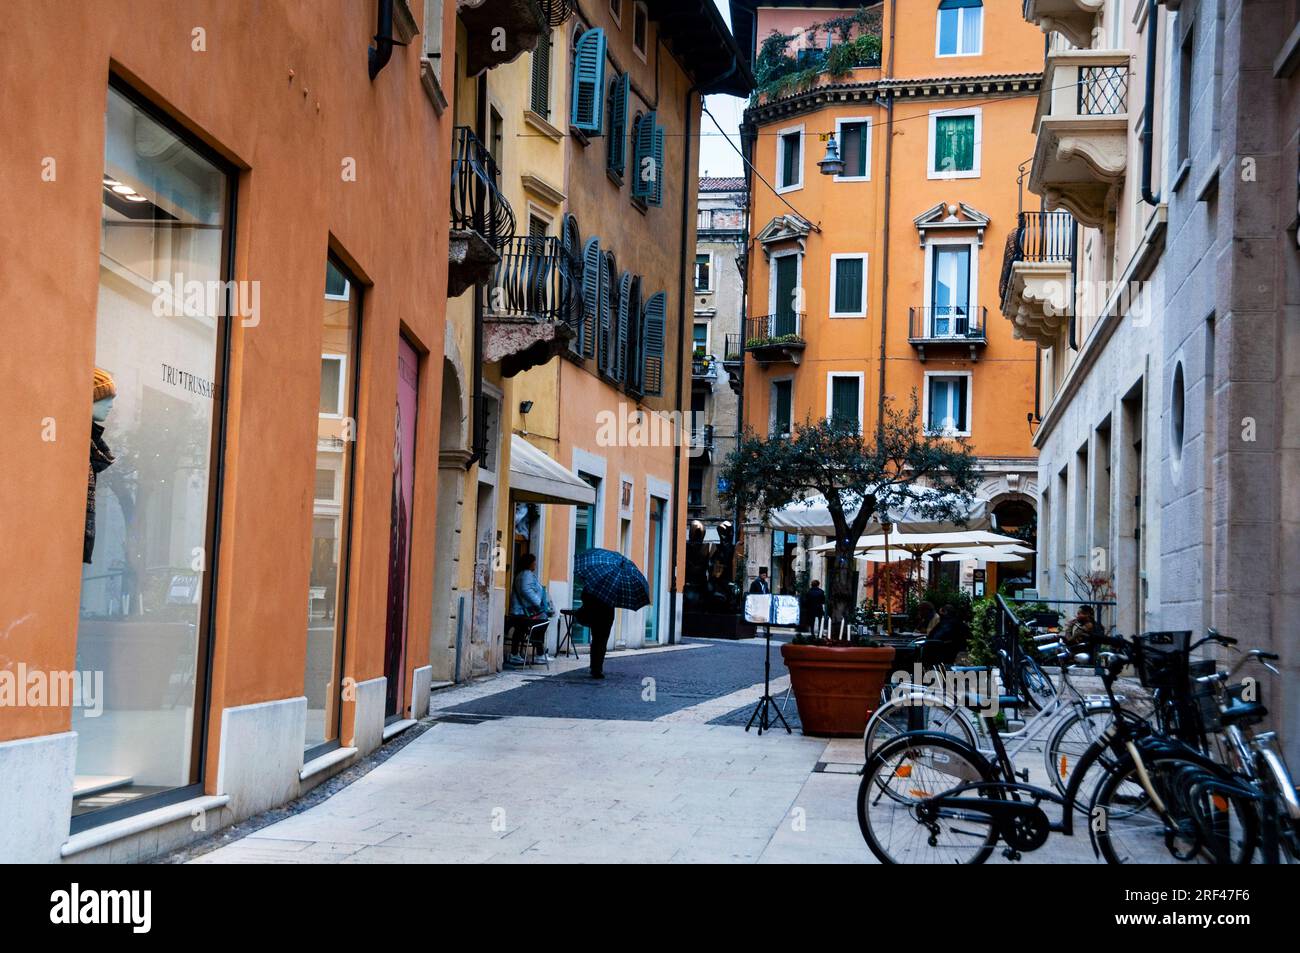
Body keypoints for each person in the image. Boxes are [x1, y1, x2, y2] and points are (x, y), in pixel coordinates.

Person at [509, 553, 552, 664]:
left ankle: (517, 653)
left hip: (519, 611)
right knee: (542, 623)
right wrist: (539, 603)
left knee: (519, 631)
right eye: (534, 562)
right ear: (529, 563)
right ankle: (539, 653)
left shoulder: (521, 574)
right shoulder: (526, 574)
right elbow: (526, 590)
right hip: (523, 611)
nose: (535, 564)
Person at [575, 592, 615, 679]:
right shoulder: (612, 589)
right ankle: (597, 668)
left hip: (598, 616)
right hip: (605, 617)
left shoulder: (595, 585)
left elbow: (583, 596)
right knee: (601, 643)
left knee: (596, 642)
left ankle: (595, 667)